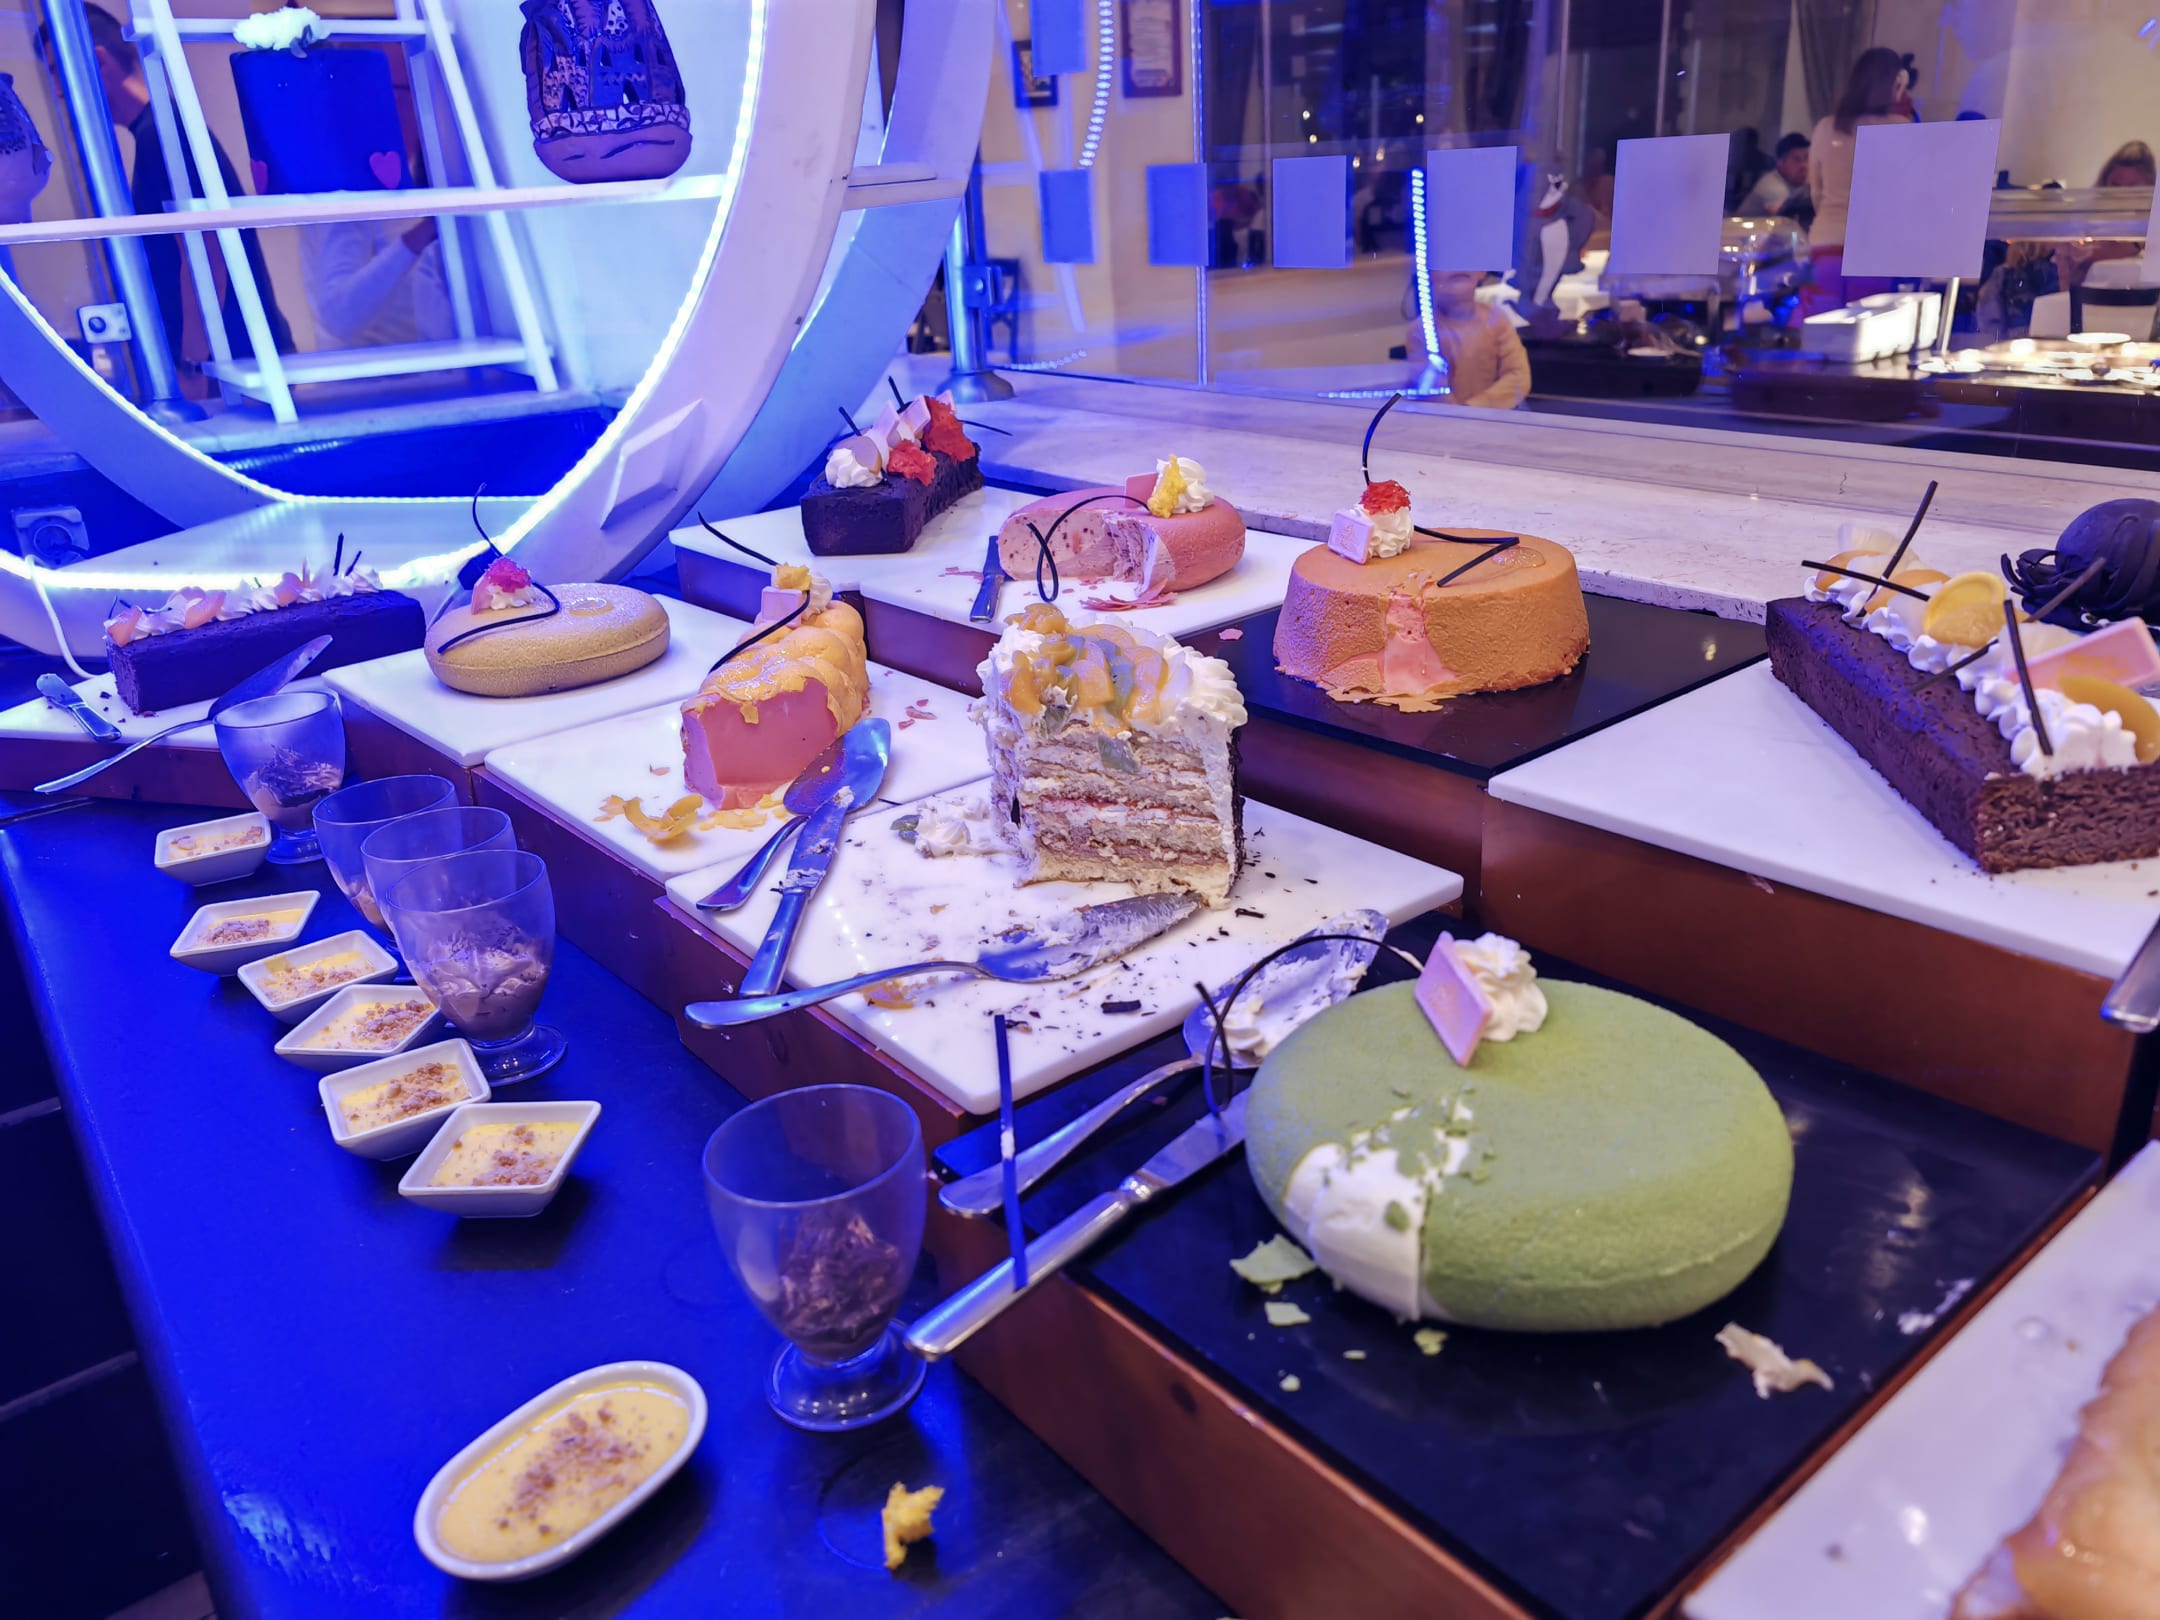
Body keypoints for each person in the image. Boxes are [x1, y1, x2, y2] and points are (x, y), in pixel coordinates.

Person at [38, 2, 292, 379]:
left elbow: (206, 251)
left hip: (232, 367)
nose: (59, 92)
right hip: (237, 361)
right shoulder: (159, 131)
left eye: (58, 73)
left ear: (99, 60)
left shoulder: (163, 135)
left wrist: (193, 363)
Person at [1804, 47, 1912, 313]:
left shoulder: (1826, 127)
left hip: (1825, 244)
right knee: (1866, 331)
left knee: (1820, 328)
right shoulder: (1902, 128)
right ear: (1897, 83)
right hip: (1874, 249)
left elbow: (1816, 192)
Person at [300, 216, 452, 350]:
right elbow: (340, 316)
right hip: (368, 369)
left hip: (424, 362)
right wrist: (420, 235)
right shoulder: (342, 207)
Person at [1409, 270, 1532, 410]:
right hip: (1444, 420)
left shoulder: (1497, 320)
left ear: (1481, 272)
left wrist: (1474, 408)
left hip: (1491, 419)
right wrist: (1462, 415)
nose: (1458, 267)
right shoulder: (1422, 329)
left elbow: (1519, 377)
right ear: (1429, 274)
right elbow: (1433, 392)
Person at [2054, 141, 2157, 293]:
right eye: (2116, 186)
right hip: (2089, 304)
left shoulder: (2153, 229)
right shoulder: (2086, 228)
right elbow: (2068, 282)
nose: (2121, 195)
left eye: (2132, 188)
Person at [1739, 133, 1811, 220]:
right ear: (1780, 163)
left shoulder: (1797, 182)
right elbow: (1787, 220)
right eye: (1796, 160)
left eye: (1806, 158)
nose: (1804, 165)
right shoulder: (1773, 187)